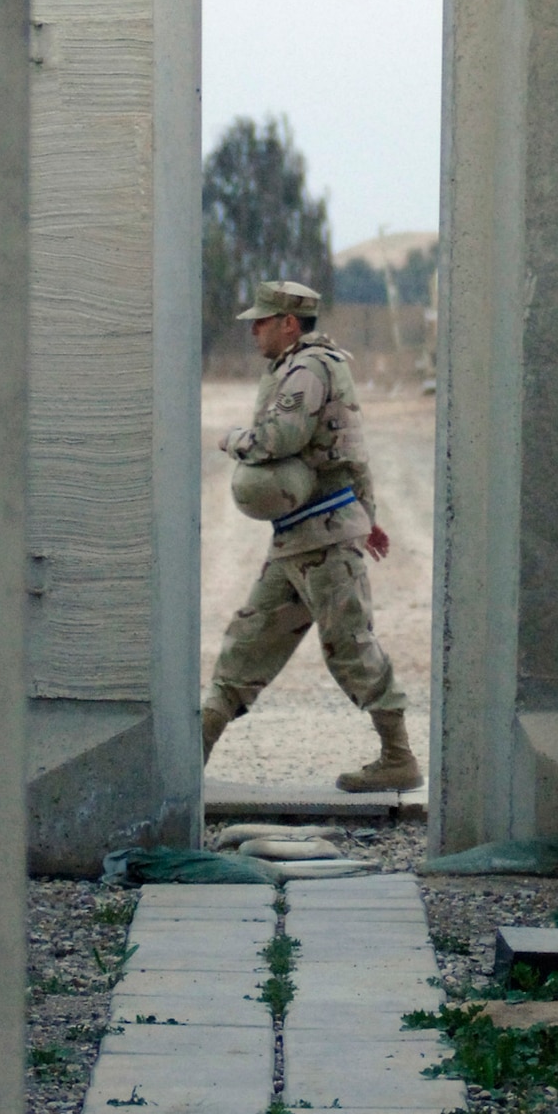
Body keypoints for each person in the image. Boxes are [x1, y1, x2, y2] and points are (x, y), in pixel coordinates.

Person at [201, 278, 421, 792]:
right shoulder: (310, 367)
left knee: (350, 645)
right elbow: (352, 453)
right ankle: (189, 759)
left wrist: (232, 440)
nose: (254, 330)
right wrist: (368, 514)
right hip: (299, 540)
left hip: (321, 541)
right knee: (247, 643)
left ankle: (399, 758)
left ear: (289, 324)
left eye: (262, 320)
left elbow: (280, 438)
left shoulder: (306, 370)